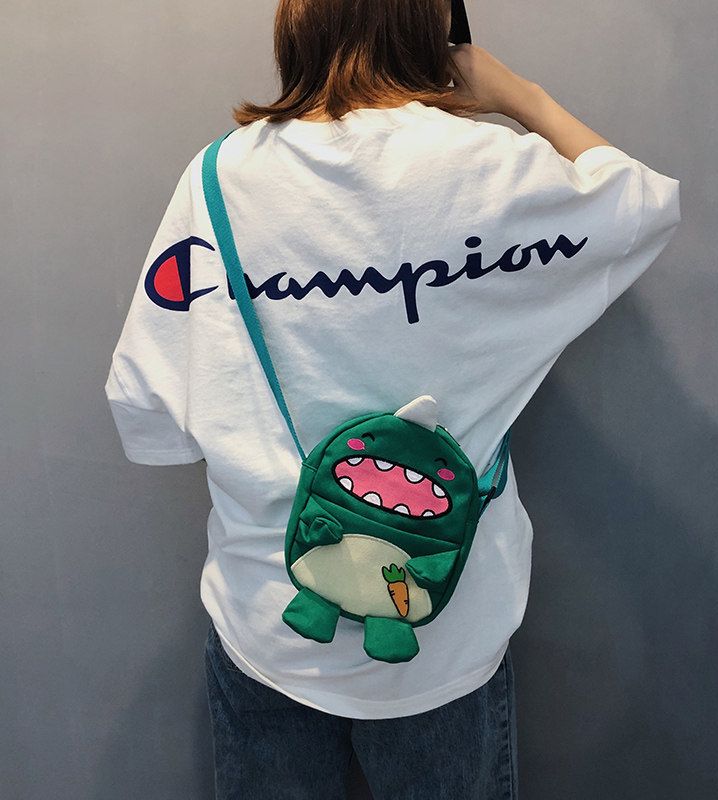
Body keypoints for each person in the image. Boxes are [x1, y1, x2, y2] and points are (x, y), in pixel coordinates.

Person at [105, 0, 680, 797]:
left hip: (268, 617)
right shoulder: (492, 169)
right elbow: (643, 204)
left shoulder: (218, 180)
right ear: (431, 22)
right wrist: (520, 97)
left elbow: (146, 402)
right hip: (442, 632)